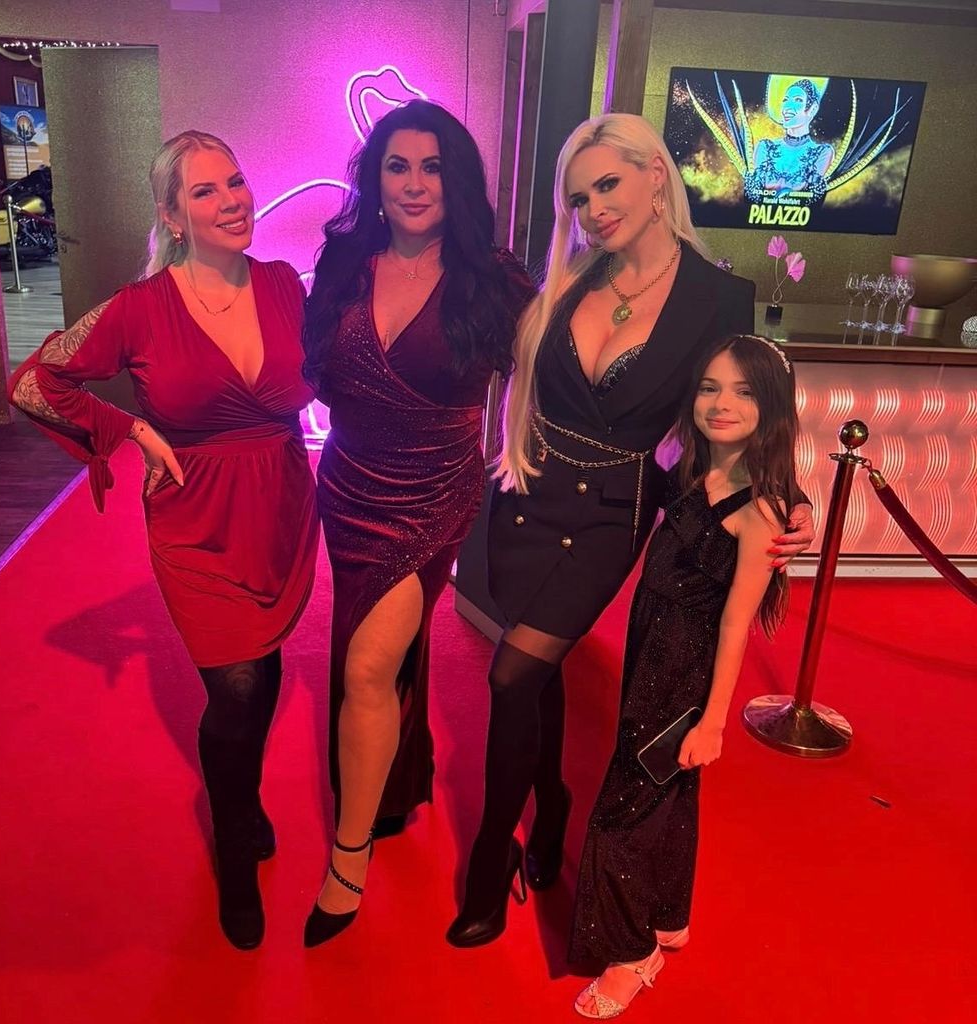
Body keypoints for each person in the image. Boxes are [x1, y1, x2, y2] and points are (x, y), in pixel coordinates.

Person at [446, 113, 814, 947]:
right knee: (535, 669)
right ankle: (551, 809)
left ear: (656, 177)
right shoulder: (571, 278)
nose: (594, 210)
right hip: (526, 500)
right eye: (579, 199)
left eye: (608, 185)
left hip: (611, 513)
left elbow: (752, 409)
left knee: (511, 675)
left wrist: (786, 498)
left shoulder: (720, 297)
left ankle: (490, 862)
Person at [8, 131, 319, 951]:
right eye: (206, 191)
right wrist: (131, 429)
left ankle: (245, 798)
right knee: (238, 687)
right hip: (196, 520)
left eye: (236, 181)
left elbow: (333, 368)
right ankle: (233, 843)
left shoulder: (283, 284)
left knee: (266, 662)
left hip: (283, 507)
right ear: (173, 216)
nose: (233, 200)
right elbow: (34, 381)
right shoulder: (140, 307)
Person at [300, 99, 533, 947]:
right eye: (397, 165)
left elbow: (560, 366)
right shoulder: (343, 260)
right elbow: (305, 365)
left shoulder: (494, 278)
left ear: (456, 180)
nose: (414, 183)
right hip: (349, 486)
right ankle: (401, 779)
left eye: (433, 167)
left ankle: (348, 859)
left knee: (366, 664)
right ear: (375, 177)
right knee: (381, 651)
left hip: (434, 495)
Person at [570, 334, 798, 1017]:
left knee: (624, 808)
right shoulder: (691, 470)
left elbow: (735, 626)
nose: (721, 404)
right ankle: (669, 913)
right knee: (669, 790)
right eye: (709, 388)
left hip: (681, 676)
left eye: (744, 392)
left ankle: (631, 951)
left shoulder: (758, 511)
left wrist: (714, 721)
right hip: (651, 654)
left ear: (772, 407)